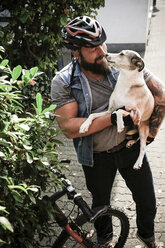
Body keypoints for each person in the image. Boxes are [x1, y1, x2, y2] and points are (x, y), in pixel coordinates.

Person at [51, 16, 165, 248]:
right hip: (96, 155)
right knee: (100, 207)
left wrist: (150, 134)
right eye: (92, 48)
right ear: (76, 52)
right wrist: (111, 118)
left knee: (148, 202)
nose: (101, 50)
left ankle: (146, 235)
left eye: (102, 43)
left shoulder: (124, 64)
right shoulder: (64, 81)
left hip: (129, 148)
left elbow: (161, 95)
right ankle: (105, 241)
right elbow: (69, 128)